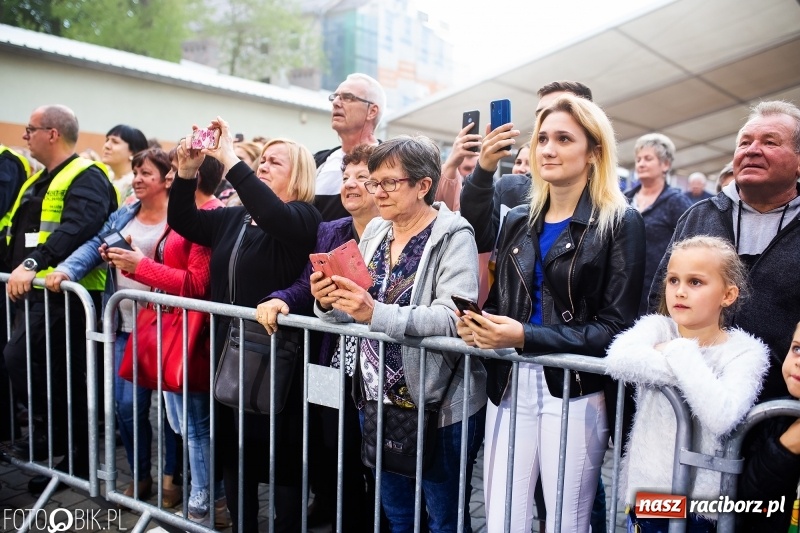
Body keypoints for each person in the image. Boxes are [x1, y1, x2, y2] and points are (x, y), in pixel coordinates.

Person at [457, 94, 645, 533]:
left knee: (568, 522)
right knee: (503, 518)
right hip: (508, 383)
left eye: (564, 138)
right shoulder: (518, 219)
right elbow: (503, 304)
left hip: (575, 387)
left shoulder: (620, 221)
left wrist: (524, 335)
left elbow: (615, 329)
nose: (548, 149)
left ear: (594, 151)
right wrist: (480, 325)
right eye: (542, 138)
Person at [312, 135, 487, 533]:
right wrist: (327, 302)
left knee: (444, 517)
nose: (378, 191)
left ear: (423, 186)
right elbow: (352, 313)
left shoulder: (454, 235)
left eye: (389, 182)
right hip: (376, 400)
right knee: (396, 513)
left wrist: (374, 311)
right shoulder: (376, 231)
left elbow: (451, 317)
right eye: (375, 182)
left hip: (438, 402)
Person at [169, 118, 321, 533]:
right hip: (228, 355)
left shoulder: (304, 218)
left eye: (275, 162)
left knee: (283, 458)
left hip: (278, 358)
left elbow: (272, 214)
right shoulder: (233, 218)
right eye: (263, 160)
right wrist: (185, 173)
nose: (265, 167)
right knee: (236, 454)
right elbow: (183, 219)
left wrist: (233, 160)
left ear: (299, 174)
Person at [605, 235, 769, 532]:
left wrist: (680, 352)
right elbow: (619, 359)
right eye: (673, 280)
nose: (679, 292)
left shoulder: (745, 352)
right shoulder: (658, 326)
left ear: (728, 295)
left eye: (695, 282)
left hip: (701, 504)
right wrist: (697, 376)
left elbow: (722, 415)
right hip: (648, 493)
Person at [45, 147, 179, 503]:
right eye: (135, 171)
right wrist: (67, 269)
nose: (136, 178)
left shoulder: (181, 216)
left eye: (146, 173)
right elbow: (94, 245)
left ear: (167, 178)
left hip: (167, 328)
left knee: (171, 413)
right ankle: (140, 474)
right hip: (125, 325)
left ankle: (171, 478)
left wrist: (140, 261)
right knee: (125, 407)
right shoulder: (125, 212)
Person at [256, 143, 379, 531]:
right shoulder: (331, 230)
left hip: (377, 370)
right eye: (346, 177)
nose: (350, 184)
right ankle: (342, 515)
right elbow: (304, 285)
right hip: (329, 362)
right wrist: (280, 299)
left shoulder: (398, 235)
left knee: (373, 458)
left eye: (362, 177)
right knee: (331, 450)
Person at [649, 100, 800, 402]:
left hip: (779, 408)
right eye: (745, 142)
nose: (752, 150)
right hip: (690, 400)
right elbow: (659, 299)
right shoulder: (700, 216)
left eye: (769, 142)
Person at [110, 151, 230, 526]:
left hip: (193, 333)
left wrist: (139, 266)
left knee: (195, 426)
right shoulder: (187, 214)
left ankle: (205, 503)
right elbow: (174, 269)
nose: (172, 177)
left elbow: (196, 284)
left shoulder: (208, 214)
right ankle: (211, 499)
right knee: (182, 424)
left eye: (177, 170)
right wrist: (133, 260)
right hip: (172, 331)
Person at [3, 105, 118, 493]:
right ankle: (66, 454)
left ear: (52, 133)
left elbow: (78, 228)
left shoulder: (88, 175)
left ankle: (68, 451)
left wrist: (35, 262)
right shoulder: (38, 180)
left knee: (37, 366)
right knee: (57, 376)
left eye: (30, 129)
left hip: (69, 294)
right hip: (36, 291)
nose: (25, 136)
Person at [460, 81, 594, 255]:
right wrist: (483, 170)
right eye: (541, 115)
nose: (548, 120)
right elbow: (476, 240)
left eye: (563, 110)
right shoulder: (510, 189)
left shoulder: (615, 217)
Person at [739, 321, 800, 532]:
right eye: (797, 349)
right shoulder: (771, 416)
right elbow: (748, 497)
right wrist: (786, 446)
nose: (798, 362)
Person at [625, 133, 692, 316]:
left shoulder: (676, 202)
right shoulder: (624, 200)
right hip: (624, 285)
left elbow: (689, 245)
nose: (641, 164)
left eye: (648, 158)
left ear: (665, 165)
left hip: (657, 288)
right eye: (638, 159)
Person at [314, 73, 385, 222]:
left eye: (347, 97)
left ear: (371, 111)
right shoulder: (317, 162)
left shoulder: (390, 161)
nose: (336, 103)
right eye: (335, 97)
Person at [434, 124, 480, 212]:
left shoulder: (492, 187)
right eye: (467, 168)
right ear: (457, 169)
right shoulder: (446, 186)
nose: (473, 172)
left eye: (477, 168)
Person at [101, 124, 149, 204]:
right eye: (107, 140)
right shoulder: (103, 177)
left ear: (133, 152)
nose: (106, 146)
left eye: (115, 142)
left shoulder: (136, 185)